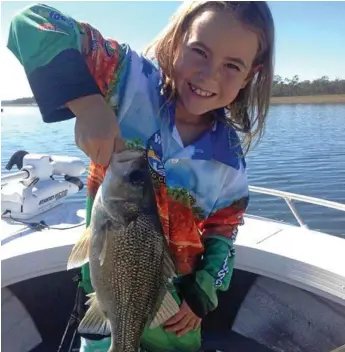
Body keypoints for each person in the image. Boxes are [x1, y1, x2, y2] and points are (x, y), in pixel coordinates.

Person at [7, 1, 275, 351]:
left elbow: (224, 231)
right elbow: (31, 21)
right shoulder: (128, 80)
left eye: (231, 65)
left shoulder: (230, 164)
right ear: (177, 40)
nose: (209, 74)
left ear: (250, 76)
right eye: (199, 51)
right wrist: (88, 104)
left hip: (176, 314)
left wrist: (201, 294)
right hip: (108, 295)